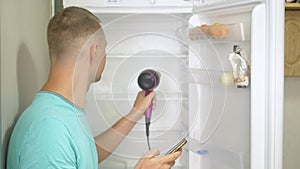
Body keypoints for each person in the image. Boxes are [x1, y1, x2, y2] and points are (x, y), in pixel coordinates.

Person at [6, 6, 181, 169]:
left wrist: (135, 113)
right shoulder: (48, 129)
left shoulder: (60, 113)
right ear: (94, 51)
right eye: (104, 49)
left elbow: (86, 154)